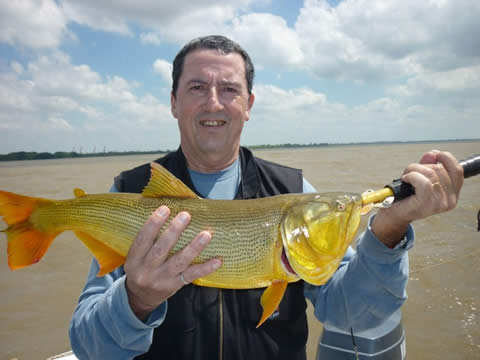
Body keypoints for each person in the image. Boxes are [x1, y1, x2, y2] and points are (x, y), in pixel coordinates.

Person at [69, 35, 464, 360]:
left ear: (249, 105)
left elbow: (353, 314)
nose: (213, 103)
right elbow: (89, 348)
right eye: (196, 88)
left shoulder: (295, 193)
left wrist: (390, 228)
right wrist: (135, 300)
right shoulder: (129, 196)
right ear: (173, 102)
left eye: (229, 89)